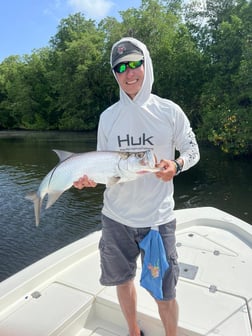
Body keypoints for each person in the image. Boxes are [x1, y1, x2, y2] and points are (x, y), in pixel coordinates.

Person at [74, 37, 200, 336]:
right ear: (114, 74)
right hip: (115, 218)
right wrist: (87, 179)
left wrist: (177, 165)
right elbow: (104, 168)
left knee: (165, 293)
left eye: (135, 64)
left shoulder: (169, 111)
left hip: (157, 220)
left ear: (146, 64)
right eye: (121, 68)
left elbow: (192, 150)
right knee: (122, 281)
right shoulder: (108, 117)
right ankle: (133, 331)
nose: (129, 73)